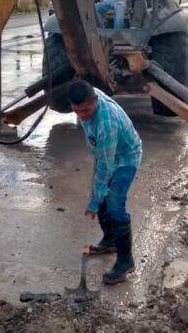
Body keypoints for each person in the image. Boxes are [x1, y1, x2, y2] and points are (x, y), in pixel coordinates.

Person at [68, 80, 142, 285]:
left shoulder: (106, 124)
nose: (82, 115)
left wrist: (93, 202)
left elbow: (106, 168)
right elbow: (101, 159)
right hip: (106, 154)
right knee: (100, 197)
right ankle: (110, 240)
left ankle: (126, 261)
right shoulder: (89, 96)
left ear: (95, 100)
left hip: (125, 158)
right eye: (77, 111)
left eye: (86, 110)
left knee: (114, 206)